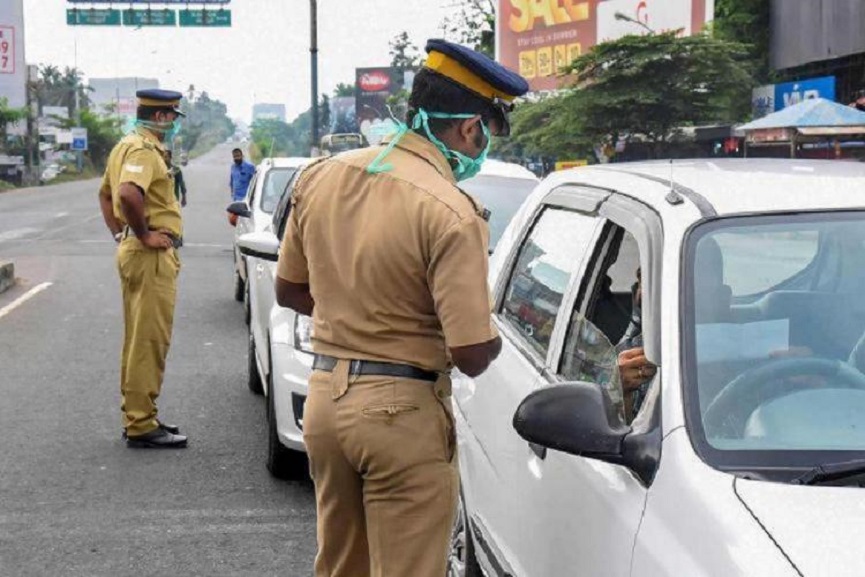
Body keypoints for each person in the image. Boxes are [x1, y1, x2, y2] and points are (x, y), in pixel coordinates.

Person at [275, 38, 527, 577]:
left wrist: (356, 313)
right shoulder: (452, 211)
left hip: (325, 405)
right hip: (399, 415)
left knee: (342, 565)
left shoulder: (321, 177)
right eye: (486, 134)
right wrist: (496, 330)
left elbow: (289, 290)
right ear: (468, 129)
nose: (482, 148)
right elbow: (471, 352)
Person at [97, 89, 187, 449]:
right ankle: (141, 424)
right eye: (173, 117)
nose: (173, 125)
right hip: (149, 256)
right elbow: (127, 195)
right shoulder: (142, 150)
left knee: (138, 339)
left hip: (136, 250)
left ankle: (138, 414)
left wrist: (121, 234)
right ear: (162, 117)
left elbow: (105, 194)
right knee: (149, 340)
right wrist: (143, 235)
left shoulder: (124, 145)